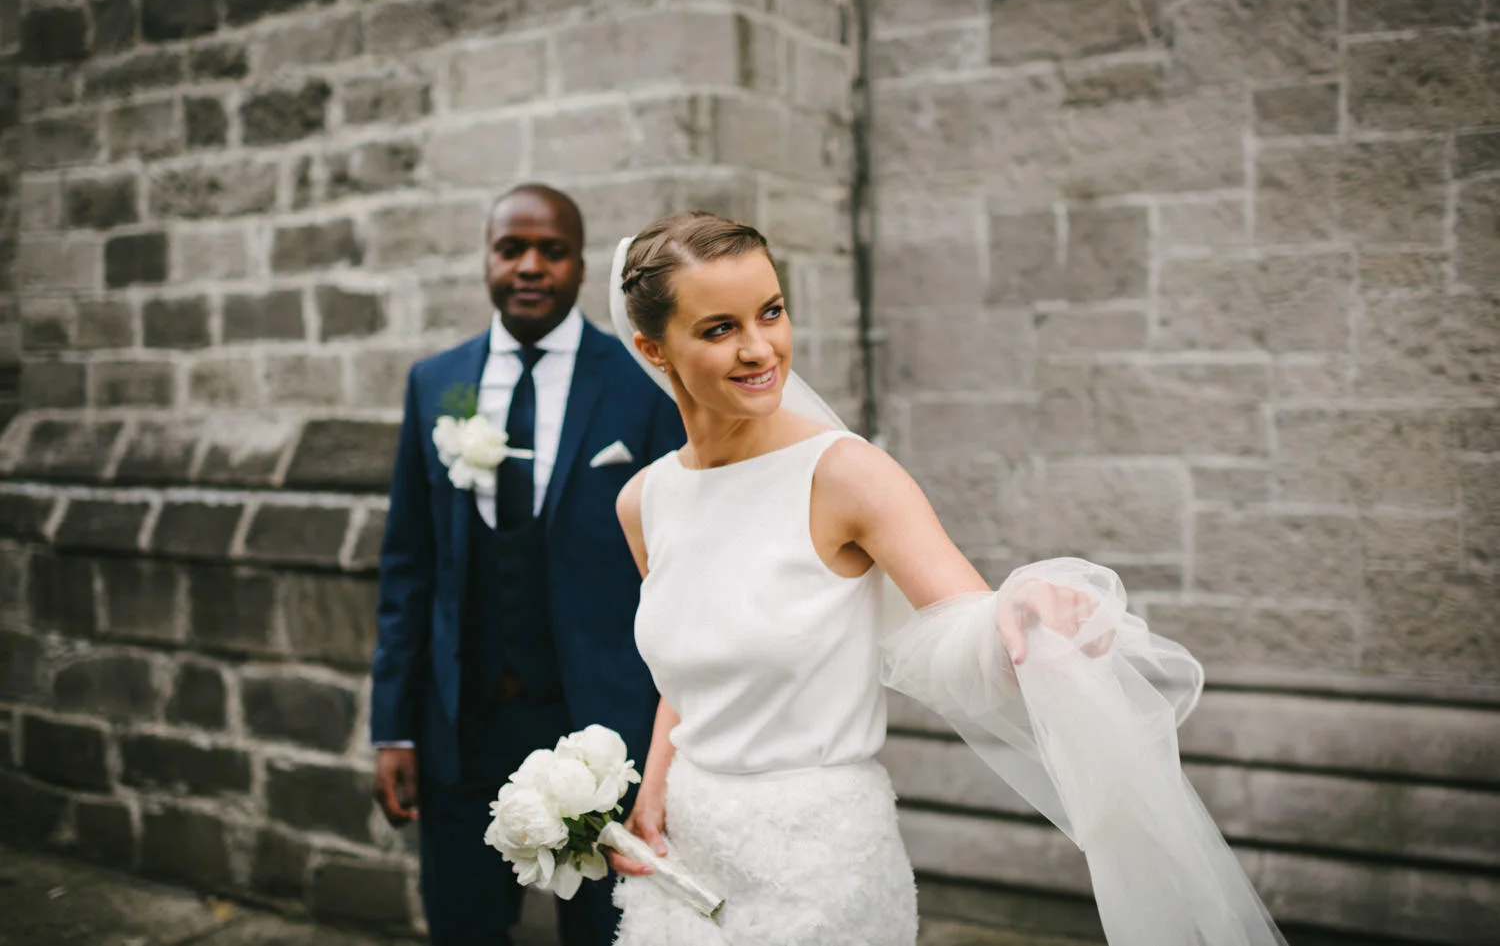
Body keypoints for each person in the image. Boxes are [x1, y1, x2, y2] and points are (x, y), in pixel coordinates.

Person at [600, 212, 1287, 946]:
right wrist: (654, 787)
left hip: (817, 864)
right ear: (653, 349)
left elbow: (958, 618)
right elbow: (687, 669)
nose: (761, 347)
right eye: (718, 328)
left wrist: (1013, 609)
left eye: (771, 311)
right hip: (690, 853)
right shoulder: (644, 500)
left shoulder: (846, 474)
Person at [369, 184, 685, 946]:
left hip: (602, 729)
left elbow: (679, 573)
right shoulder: (436, 382)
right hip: (460, 728)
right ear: (487, 259)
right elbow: (407, 566)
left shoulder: (638, 383)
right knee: (464, 925)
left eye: (553, 249)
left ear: (581, 264)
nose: (530, 265)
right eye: (511, 248)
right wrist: (394, 727)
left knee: (603, 934)